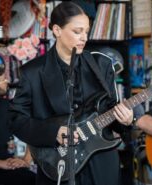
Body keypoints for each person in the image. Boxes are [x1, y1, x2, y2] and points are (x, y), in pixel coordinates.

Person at [8, 2, 134, 185]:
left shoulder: (102, 64)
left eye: (86, 31)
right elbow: (15, 120)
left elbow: (112, 114)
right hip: (56, 163)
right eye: (77, 31)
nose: (84, 37)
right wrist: (53, 132)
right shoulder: (32, 72)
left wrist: (127, 121)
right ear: (57, 30)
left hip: (101, 163)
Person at [0, 68, 36, 185]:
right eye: (1, 77)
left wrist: (26, 160)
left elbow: (33, 130)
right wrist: (1, 164)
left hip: (13, 169)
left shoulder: (7, 106)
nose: (6, 80)